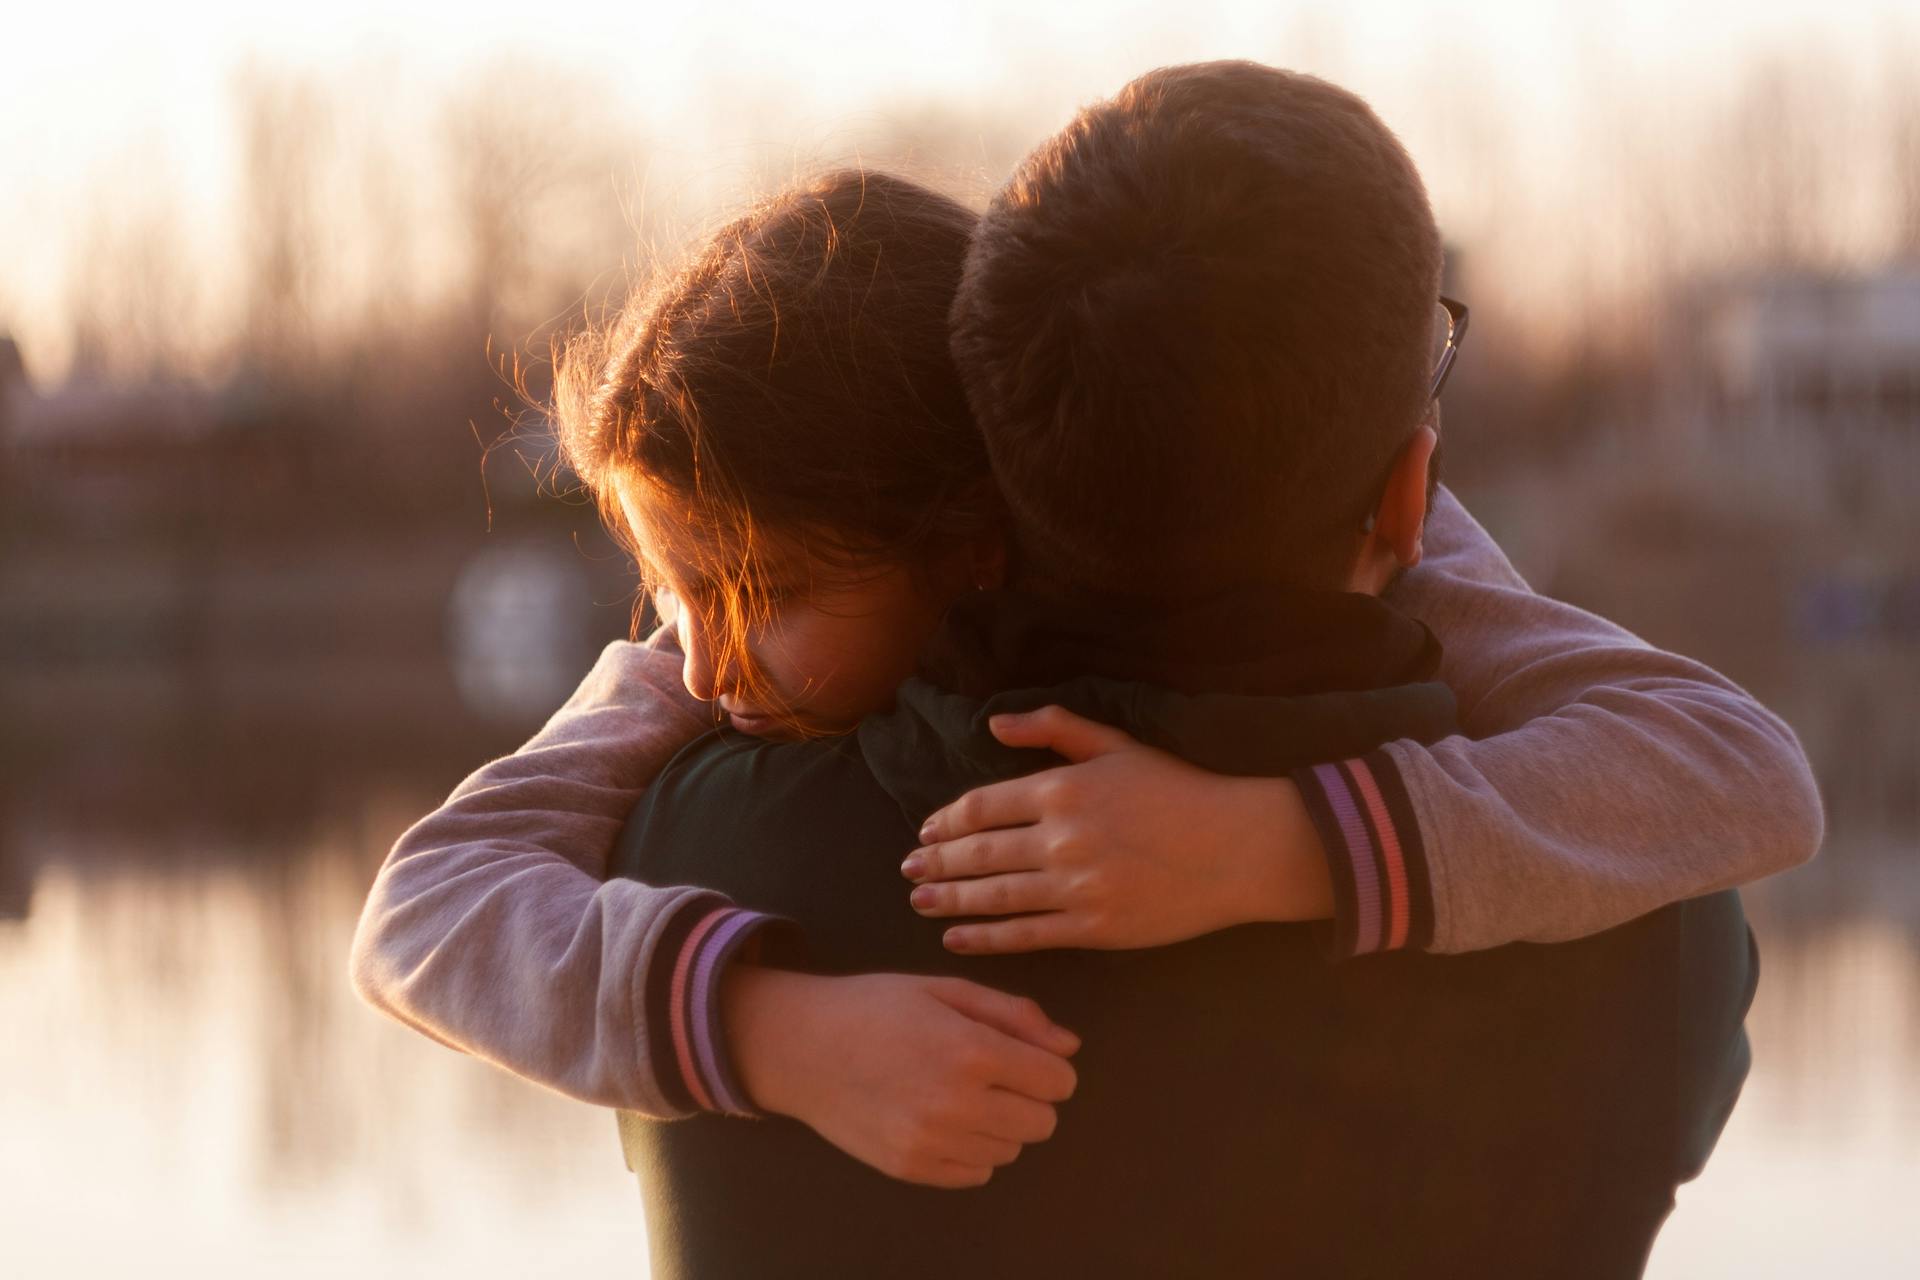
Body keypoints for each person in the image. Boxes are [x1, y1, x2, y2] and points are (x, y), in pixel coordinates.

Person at [349, 67, 1817, 1242]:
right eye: (679, 601)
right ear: (1403, 491)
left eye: (763, 592)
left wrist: (1269, 843)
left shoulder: (684, 848)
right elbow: (1730, 767)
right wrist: (773, 1026)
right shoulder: (1652, 908)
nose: (701, 662)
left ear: (968, 528)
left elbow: (435, 906)